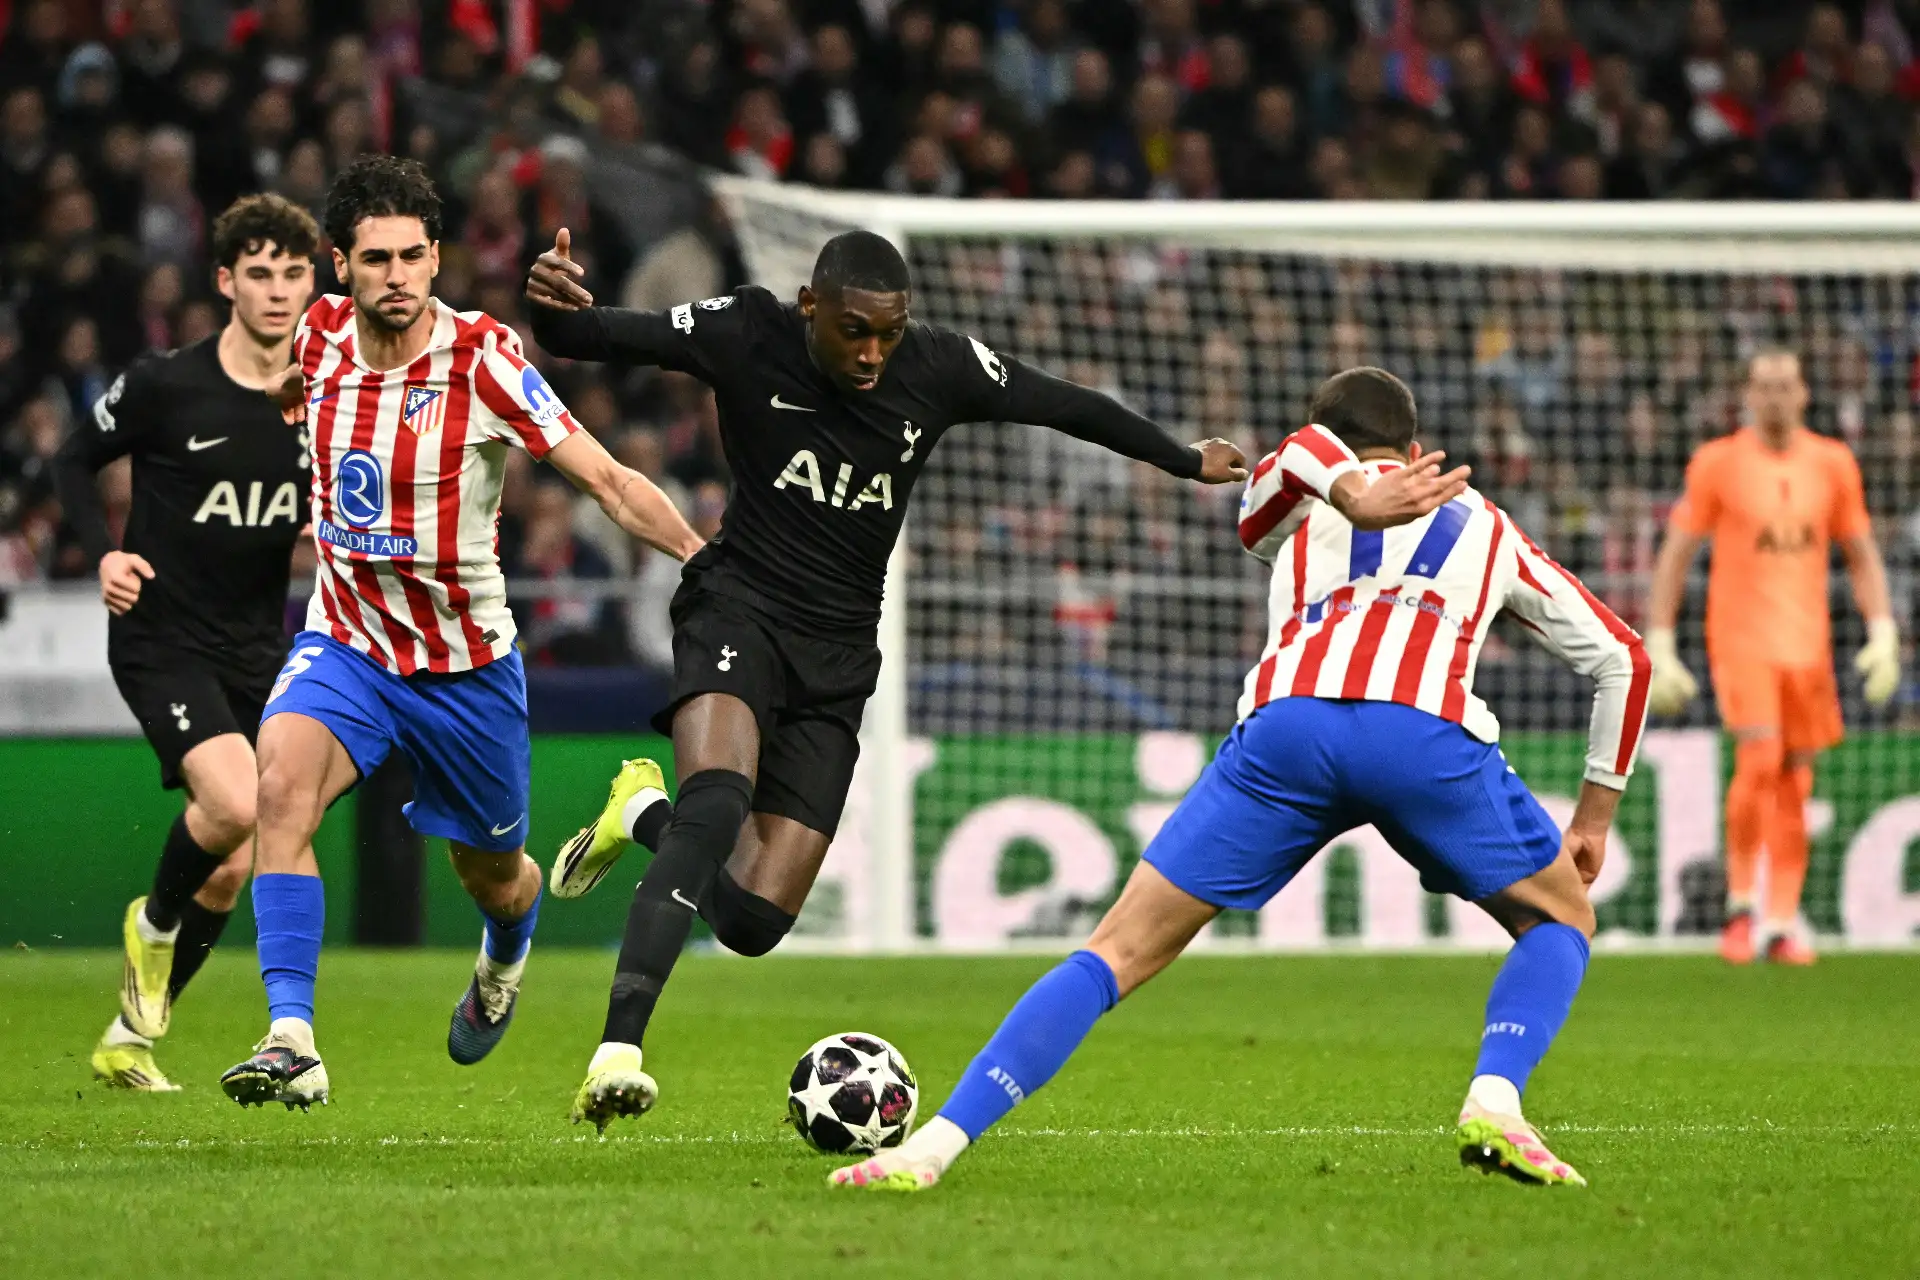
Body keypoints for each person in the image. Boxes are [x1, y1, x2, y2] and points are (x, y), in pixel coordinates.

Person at [830, 368, 1648, 1192]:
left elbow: (1286, 466)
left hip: (1288, 735)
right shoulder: (1486, 525)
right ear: (1411, 447)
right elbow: (1625, 659)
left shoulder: (1292, 498)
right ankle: (1496, 1099)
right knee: (1561, 918)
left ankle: (929, 1148)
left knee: (1115, 951)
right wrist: (1593, 819)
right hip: (1421, 736)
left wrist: (1344, 492)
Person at [524, 228, 1269, 1132]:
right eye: (853, 332)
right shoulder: (745, 330)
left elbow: (1061, 402)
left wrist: (1181, 457)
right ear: (810, 309)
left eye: (888, 331)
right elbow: (592, 334)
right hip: (737, 611)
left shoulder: (938, 366)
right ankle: (618, 1052)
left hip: (838, 656)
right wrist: (552, 302)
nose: (873, 352)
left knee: (757, 921)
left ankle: (639, 815)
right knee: (717, 800)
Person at [217, 157, 702, 1110]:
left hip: (465, 668)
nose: (395, 275)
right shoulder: (314, 339)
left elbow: (603, 479)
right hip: (348, 642)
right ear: (341, 264)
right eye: (374, 259)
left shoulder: (485, 358)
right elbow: (279, 402)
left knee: (497, 879)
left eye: (412, 256)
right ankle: (291, 1037)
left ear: (437, 258)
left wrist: (700, 554)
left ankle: (502, 957)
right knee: (279, 786)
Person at [54, 193, 319, 1092]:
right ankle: (153, 929)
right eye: (259, 274)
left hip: (258, 649)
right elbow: (69, 461)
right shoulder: (168, 384)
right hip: (162, 637)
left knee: (232, 866)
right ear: (225, 281)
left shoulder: (324, 396)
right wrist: (106, 553)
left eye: (293, 273)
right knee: (240, 808)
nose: (278, 292)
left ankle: (128, 1036)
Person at [1643, 349, 1897, 966]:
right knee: (1757, 759)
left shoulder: (1833, 464)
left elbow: (1860, 551)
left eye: (1786, 386)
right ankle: (1737, 909)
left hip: (1807, 648)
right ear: (1747, 395)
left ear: (1805, 393)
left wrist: (1883, 626)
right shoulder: (1718, 463)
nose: (1776, 397)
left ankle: (1781, 923)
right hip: (1740, 639)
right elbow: (1678, 551)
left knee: (1795, 780)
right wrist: (1660, 636)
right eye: (1764, 386)